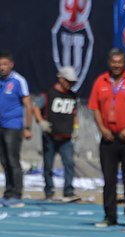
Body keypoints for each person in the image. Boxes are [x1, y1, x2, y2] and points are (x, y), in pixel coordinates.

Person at [88, 48, 125, 229]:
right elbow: (94, 108)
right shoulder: (101, 81)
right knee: (109, 179)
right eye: (113, 62)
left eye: (119, 62)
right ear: (109, 63)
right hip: (108, 137)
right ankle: (109, 216)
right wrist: (102, 129)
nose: (116, 65)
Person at [33, 66, 80, 202]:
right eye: (68, 81)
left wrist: (76, 128)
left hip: (66, 137)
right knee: (48, 165)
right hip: (50, 136)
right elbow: (35, 107)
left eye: (72, 82)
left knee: (69, 163)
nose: (70, 84)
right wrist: (41, 121)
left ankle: (69, 191)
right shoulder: (48, 93)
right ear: (61, 78)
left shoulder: (72, 96)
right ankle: (49, 190)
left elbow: (75, 113)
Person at [0, 51, 32, 208]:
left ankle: (17, 194)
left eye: (4, 64)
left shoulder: (19, 80)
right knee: (4, 161)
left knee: (13, 160)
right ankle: (8, 192)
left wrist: (27, 127)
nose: (1, 68)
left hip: (13, 126)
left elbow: (27, 104)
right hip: (0, 125)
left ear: (11, 65)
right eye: (0, 64)